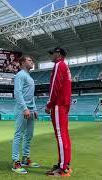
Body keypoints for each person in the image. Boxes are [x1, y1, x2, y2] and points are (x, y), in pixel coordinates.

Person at [45, 47, 73, 177]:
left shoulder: (58, 65)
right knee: (64, 134)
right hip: (64, 104)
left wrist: (49, 104)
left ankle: (62, 168)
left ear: (58, 54)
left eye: (52, 53)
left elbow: (55, 87)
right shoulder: (65, 66)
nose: (51, 56)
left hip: (58, 104)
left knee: (60, 135)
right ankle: (65, 163)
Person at [11, 55, 39, 174]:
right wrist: (24, 108)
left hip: (31, 110)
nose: (32, 62)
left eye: (32, 60)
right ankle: (15, 162)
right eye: (29, 60)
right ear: (22, 63)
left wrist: (35, 108)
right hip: (23, 110)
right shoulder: (20, 75)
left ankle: (25, 159)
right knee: (19, 135)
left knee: (29, 135)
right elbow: (17, 92)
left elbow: (30, 95)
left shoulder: (29, 77)